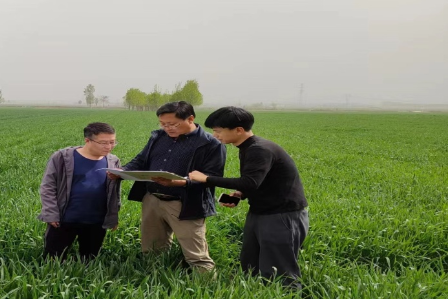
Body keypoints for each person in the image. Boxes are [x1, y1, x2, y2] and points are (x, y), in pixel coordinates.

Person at [188, 106, 309, 288]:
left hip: (281, 215)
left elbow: (249, 182)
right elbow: (258, 180)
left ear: (238, 130)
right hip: (261, 211)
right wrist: (240, 194)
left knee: (279, 271)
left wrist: (206, 179)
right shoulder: (247, 147)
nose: (215, 135)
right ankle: (254, 297)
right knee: (250, 263)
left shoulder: (259, 149)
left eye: (218, 131)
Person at [110, 101, 226, 272]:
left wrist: (180, 182)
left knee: (196, 255)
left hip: (185, 202)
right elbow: (141, 159)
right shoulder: (158, 137)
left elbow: (213, 177)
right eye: (163, 124)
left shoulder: (210, 144)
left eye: (172, 124)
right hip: (152, 199)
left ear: (190, 119)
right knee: (152, 249)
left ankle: (206, 284)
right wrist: (123, 171)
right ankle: (154, 279)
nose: (167, 128)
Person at [38, 122, 122, 261]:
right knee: (53, 260)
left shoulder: (113, 161)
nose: (108, 146)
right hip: (64, 220)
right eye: (103, 143)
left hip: (96, 221)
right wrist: (50, 213)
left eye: (112, 142)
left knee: (89, 260)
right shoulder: (62, 157)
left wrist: (113, 216)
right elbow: (48, 187)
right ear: (87, 140)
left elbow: (115, 192)